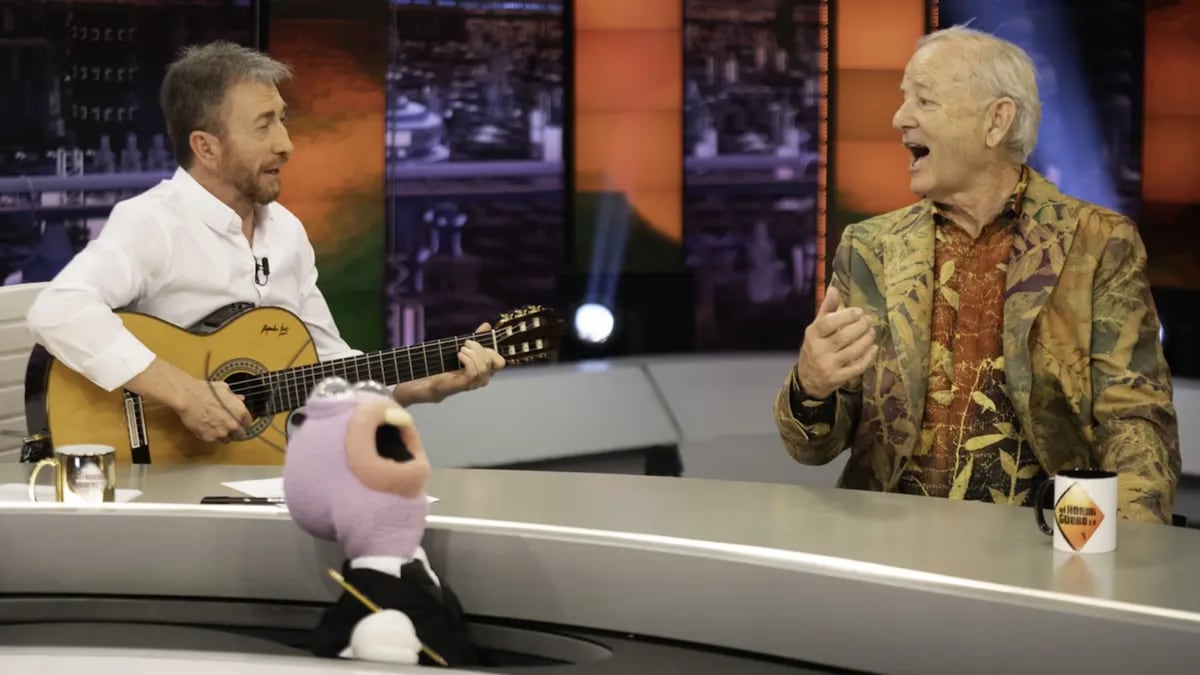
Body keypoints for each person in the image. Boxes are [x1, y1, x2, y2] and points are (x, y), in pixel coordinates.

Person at [773, 26, 1180, 524]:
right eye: (904, 98)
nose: (899, 117)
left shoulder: (1097, 243)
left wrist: (1124, 548)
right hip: (889, 538)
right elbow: (814, 447)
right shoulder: (870, 248)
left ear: (996, 122)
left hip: (1041, 541)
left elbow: (1135, 420)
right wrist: (811, 385)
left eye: (924, 100)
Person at [25, 42, 505, 449]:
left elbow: (325, 368)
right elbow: (58, 309)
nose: (286, 144)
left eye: (283, 120)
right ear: (206, 147)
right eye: (264, 125)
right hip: (158, 469)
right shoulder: (153, 222)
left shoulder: (286, 232)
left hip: (251, 475)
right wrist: (185, 393)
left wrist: (417, 387)